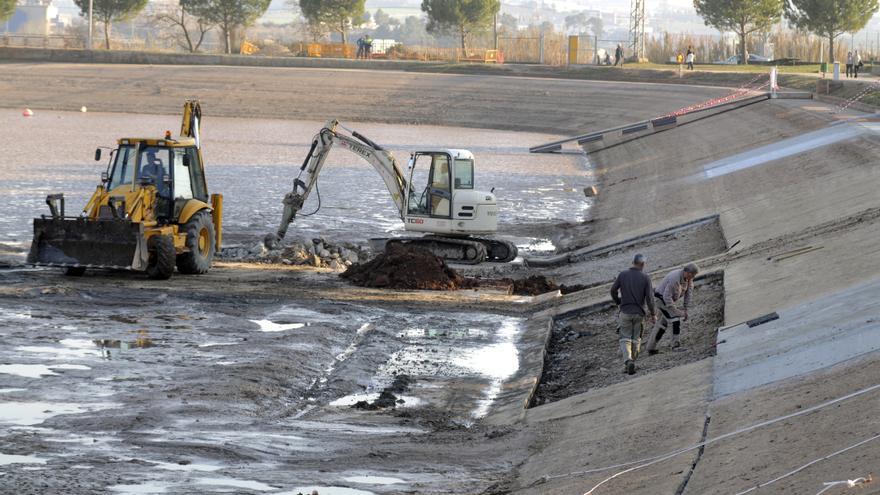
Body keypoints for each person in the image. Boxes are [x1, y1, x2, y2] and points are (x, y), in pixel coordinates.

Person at [610, 254, 657, 375]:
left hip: (625, 312)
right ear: (643, 264)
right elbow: (650, 299)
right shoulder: (646, 277)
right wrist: (653, 314)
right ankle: (632, 362)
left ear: (633, 262)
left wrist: (618, 302)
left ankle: (628, 361)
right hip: (639, 313)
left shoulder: (623, 274)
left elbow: (613, 290)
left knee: (625, 338)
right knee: (636, 339)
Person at [645, 263, 699, 354]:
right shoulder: (675, 278)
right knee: (675, 319)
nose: (693, 277)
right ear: (688, 272)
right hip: (661, 299)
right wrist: (678, 312)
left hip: (668, 300)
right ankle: (675, 346)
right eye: (692, 275)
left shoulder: (689, 279)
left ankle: (651, 348)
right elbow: (666, 297)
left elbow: (688, 294)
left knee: (662, 324)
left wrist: (686, 309)